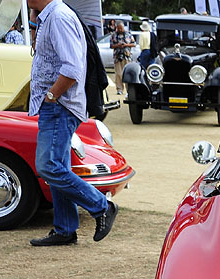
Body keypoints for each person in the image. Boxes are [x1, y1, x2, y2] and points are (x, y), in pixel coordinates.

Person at [27, 0, 116, 246]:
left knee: (49, 166)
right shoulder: (49, 16)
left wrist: (52, 95)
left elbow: (72, 68)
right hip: (57, 105)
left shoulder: (59, 17)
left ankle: (102, 206)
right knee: (58, 167)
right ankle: (65, 229)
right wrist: (34, 19)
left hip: (60, 105)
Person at [109, 21, 135, 97]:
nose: (120, 30)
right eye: (118, 28)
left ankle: (128, 90)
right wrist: (118, 45)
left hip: (127, 56)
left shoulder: (128, 34)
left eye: (121, 28)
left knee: (127, 74)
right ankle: (119, 89)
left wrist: (126, 45)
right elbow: (111, 45)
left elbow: (134, 44)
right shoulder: (113, 35)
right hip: (117, 57)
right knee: (118, 74)